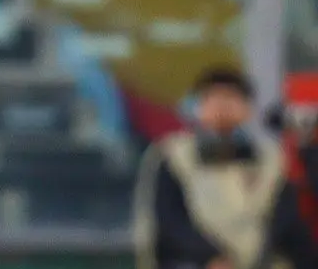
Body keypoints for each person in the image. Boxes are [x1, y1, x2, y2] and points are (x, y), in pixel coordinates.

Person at [132, 68, 317, 269]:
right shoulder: (173, 155)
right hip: (194, 261)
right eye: (212, 98)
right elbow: (170, 221)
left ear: (248, 108)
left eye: (231, 98)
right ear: (197, 107)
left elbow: (286, 219)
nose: (222, 106)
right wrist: (211, 258)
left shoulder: (271, 159)